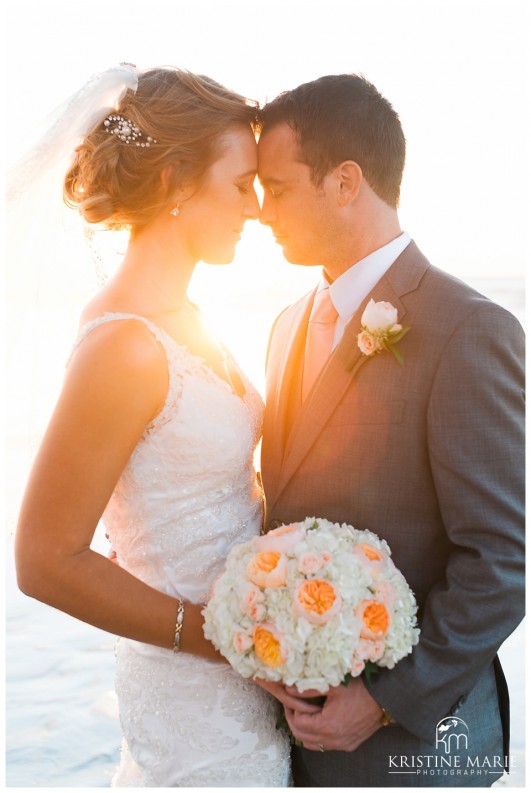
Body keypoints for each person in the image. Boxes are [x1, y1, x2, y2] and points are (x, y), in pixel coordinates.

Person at [13, 64, 290, 787]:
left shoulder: (189, 320)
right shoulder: (122, 347)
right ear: (173, 181)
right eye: (241, 183)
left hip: (248, 682)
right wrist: (219, 638)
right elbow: (43, 558)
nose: (257, 207)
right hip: (193, 703)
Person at [256, 74, 525, 787]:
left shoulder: (469, 330)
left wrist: (380, 702)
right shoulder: (285, 326)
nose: (259, 211)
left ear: (344, 181)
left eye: (276, 187)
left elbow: (498, 563)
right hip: (293, 739)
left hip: (418, 749)